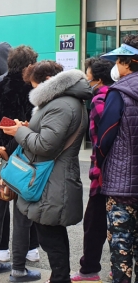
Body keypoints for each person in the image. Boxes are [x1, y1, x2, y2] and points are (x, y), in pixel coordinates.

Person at [0, 61, 91, 283]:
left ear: (48, 81)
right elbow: (49, 136)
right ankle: (60, 277)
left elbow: (45, 145)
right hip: (53, 176)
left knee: (51, 236)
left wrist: (20, 132)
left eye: (34, 86)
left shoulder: (61, 105)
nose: (33, 91)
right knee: (52, 233)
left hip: (52, 178)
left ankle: (60, 278)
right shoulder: (63, 102)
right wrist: (27, 127)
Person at [0, 45, 40, 268]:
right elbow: (29, 127)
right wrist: (10, 147)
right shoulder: (33, 93)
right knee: (22, 213)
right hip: (25, 159)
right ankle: (19, 267)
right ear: (30, 65)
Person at [96, 36, 138, 283]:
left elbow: (105, 136)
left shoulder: (118, 92)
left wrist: (101, 162)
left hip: (122, 185)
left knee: (122, 246)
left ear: (125, 62)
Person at [70, 58, 115, 282]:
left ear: (97, 79)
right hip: (122, 173)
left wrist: (98, 171)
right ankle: (118, 266)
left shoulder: (100, 98)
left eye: (87, 76)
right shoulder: (118, 95)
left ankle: (89, 270)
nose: (86, 80)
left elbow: (102, 141)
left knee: (94, 224)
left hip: (104, 173)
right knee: (122, 223)